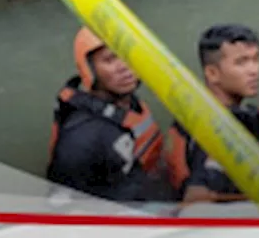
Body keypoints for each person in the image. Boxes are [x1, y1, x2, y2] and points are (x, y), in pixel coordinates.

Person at [47, 27, 172, 201]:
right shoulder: (81, 139)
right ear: (88, 69)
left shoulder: (131, 103)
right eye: (110, 59)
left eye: (127, 54)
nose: (124, 66)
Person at [164, 25, 259, 203]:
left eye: (256, 59)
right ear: (212, 73)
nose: (254, 70)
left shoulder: (232, 115)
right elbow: (195, 199)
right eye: (241, 62)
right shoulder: (212, 128)